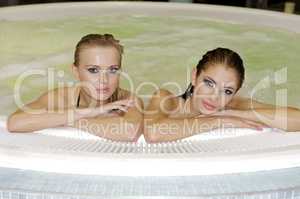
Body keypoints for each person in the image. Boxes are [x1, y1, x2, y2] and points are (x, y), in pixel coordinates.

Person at [144, 47, 300, 143]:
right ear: (194, 76)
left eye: (227, 91)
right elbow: (153, 134)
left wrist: (234, 113)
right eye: (209, 83)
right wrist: (219, 120)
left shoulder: (234, 105)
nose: (214, 97)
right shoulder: (167, 100)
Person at [7, 33, 143, 142]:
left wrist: (69, 119)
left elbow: (130, 132)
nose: (104, 80)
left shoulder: (127, 99)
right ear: (76, 71)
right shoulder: (61, 97)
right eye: (93, 70)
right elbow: (15, 123)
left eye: (112, 70)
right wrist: (90, 112)